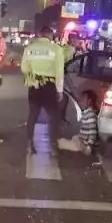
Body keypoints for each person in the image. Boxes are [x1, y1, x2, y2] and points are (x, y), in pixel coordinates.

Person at [21, 26, 65, 155]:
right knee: (53, 117)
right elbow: (59, 72)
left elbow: (24, 69)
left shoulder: (29, 48)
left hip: (35, 86)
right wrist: (60, 91)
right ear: (50, 35)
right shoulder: (56, 49)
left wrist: (33, 81)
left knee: (32, 116)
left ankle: (29, 145)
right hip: (49, 87)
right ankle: (53, 147)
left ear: (40, 35)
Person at [78, 90, 99, 155]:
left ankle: (87, 149)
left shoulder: (90, 114)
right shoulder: (86, 112)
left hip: (85, 143)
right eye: (80, 100)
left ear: (89, 101)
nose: (80, 102)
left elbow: (92, 132)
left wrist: (89, 145)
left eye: (83, 100)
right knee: (75, 138)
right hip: (82, 140)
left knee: (62, 142)